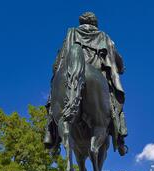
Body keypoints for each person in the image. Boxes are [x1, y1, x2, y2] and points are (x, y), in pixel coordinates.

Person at [44, 11, 128, 157]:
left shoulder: (71, 33)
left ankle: (51, 136)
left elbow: (57, 63)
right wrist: (121, 67)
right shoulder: (103, 36)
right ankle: (120, 138)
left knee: (53, 99)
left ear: (81, 22)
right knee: (115, 103)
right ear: (95, 23)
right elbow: (116, 57)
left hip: (71, 76)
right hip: (98, 77)